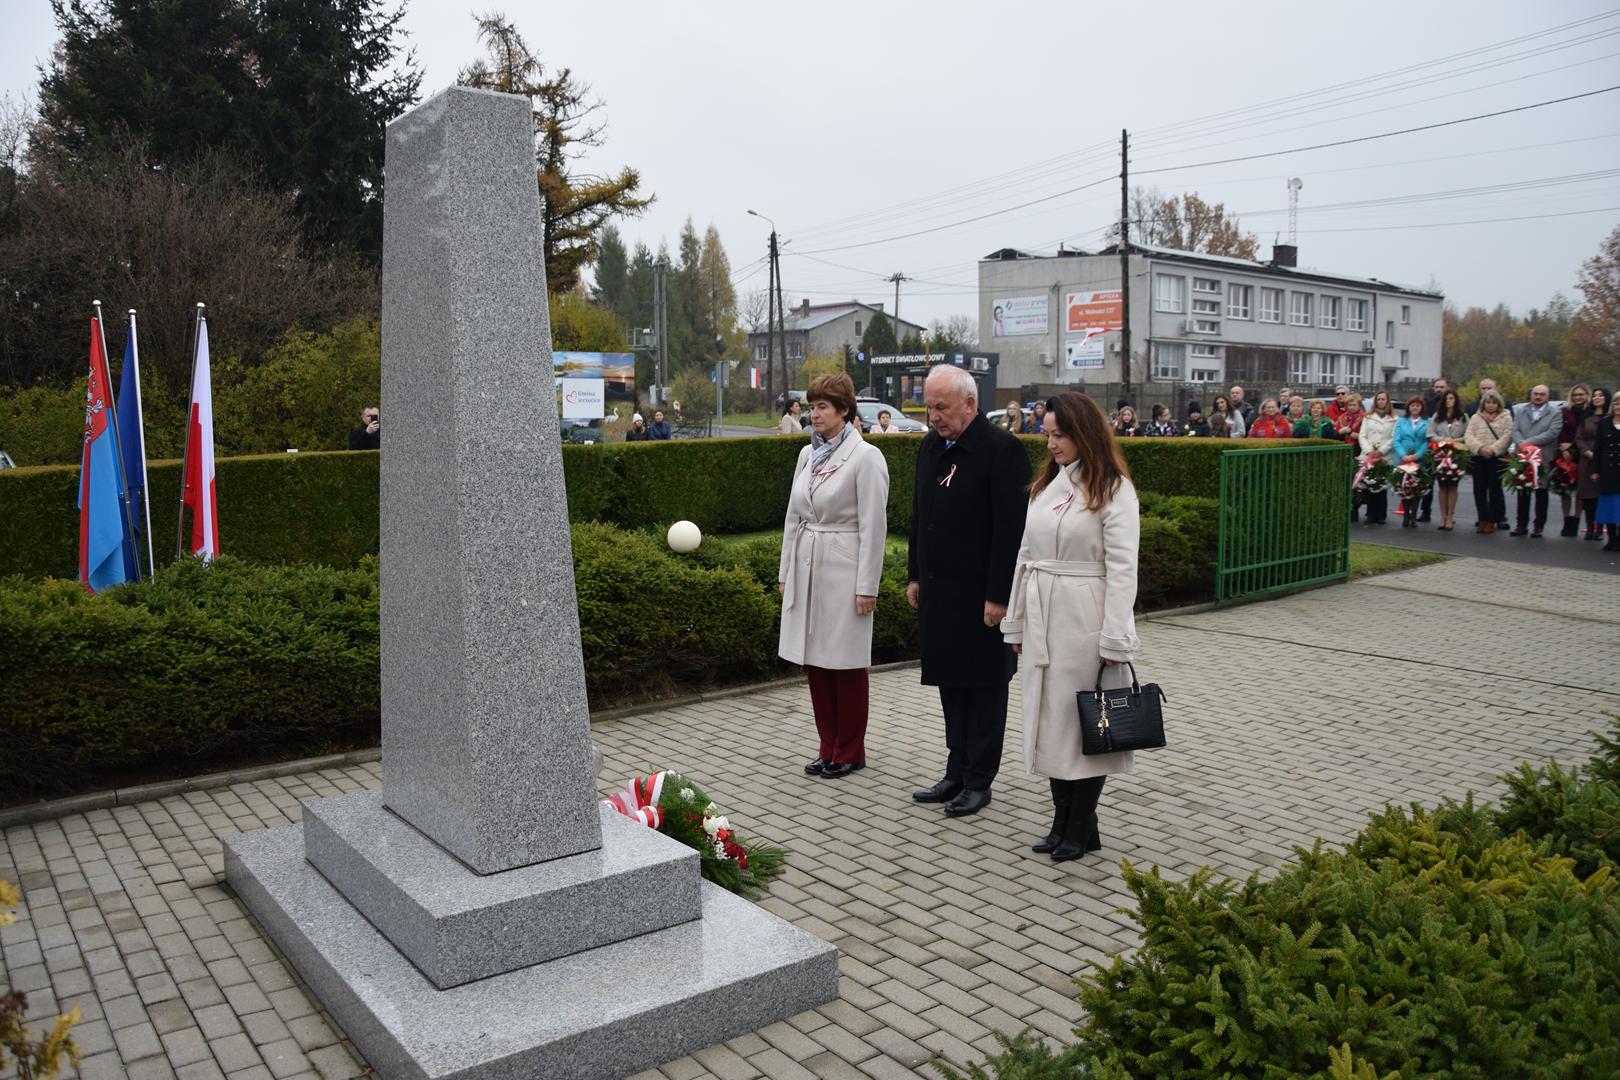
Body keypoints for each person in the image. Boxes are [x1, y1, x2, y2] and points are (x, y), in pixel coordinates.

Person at [1000, 392, 1139, 862]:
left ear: (1084, 433)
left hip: (1085, 619)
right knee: (1051, 723)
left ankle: (1078, 826)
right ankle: (1066, 821)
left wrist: (1115, 638)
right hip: (1044, 616)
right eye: (1048, 434)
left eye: (1060, 435)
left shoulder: (1114, 490)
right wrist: (1016, 623)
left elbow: (1123, 569)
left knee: (1085, 724)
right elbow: (1025, 556)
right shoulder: (1046, 487)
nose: (1051, 443)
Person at [907, 365, 1031, 817]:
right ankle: (955, 771)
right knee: (952, 685)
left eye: (941, 407)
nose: (933, 416)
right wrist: (915, 574)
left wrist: (1000, 596)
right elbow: (920, 516)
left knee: (984, 689)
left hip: (981, 597)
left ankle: (979, 779)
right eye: (929, 407)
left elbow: (1010, 531)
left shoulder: (1002, 451)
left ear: (970, 404)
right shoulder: (930, 447)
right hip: (941, 592)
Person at [779, 373, 890, 780]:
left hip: (844, 569)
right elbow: (793, 518)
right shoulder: (807, 456)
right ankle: (827, 745)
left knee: (845, 663)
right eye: (812, 406)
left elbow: (874, 528)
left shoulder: (866, 457)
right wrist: (785, 572)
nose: (815, 414)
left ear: (844, 410)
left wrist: (867, 587)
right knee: (816, 662)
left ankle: (850, 750)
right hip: (808, 565)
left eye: (823, 406)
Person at [1509, 384, 1561, 538]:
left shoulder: (1555, 413)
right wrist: (1521, 443)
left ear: (1548, 396)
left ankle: (1538, 525)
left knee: (1541, 492)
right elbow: (1515, 430)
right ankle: (1521, 524)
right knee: (1522, 491)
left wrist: (1529, 442)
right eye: (1535, 393)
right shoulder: (1522, 411)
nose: (1538, 397)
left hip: (1542, 457)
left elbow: (1552, 433)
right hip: (1523, 456)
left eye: (1542, 394)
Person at [1465, 390, 1512, 534]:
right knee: (1479, 489)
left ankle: (1493, 520)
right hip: (1479, 457)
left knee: (1495, 489)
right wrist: (1480, 448)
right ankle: (1482, 519)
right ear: (1483, 404)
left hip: (1496, 458)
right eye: (1488, 402)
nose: (1491, 405)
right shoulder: (1476, 417)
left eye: (1494, 403)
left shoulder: (1506, 417)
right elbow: (1469, 436)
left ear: (1499, 404)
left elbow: (1507, 436)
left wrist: (1493, 449)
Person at [1427, 389, 1469, 531]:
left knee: (1453, 486)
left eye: (1451, 398)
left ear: (1455, 400)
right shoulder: (1437, 416)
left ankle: (1450, 516)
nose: (1448, 401)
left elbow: (1468, 435)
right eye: (1446, 398)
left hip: (1456, 455)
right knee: (1442, 485)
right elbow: (1430, 434)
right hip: (1441, 454)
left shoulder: (1463, 417)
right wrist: (1443, 440)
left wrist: (1455, 441)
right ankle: (1443, 516)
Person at [1576, 387, 1612, 540]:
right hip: (1587, 460)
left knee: (1602, 496)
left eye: (1600, 395)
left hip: (1606, 460)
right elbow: (1579, 438)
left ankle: (1600, 529)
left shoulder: (1611, 417)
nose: (1596, 398)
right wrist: (1586, 452)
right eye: (1595, 395)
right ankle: (1590, 527)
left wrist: (1601, 455)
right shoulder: (1586, 416)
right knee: (1588, 496)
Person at [1555, 385, 1591, 536]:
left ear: (1587, 395)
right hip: (1564, 455)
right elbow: (1558, 430)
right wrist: (1563, 448)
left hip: (1581, 454)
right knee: (1565, 490)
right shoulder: (1564, 411)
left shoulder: (1589, 412)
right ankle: (1566, 521)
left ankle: (1576, 520)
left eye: (1581, 394)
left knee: (1580, 491)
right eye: (1575, 395)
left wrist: (1572, 447)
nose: (1578, 397)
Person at [1357, 390, 1397, 525]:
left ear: (1387, 401)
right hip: (1369, 455)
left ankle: (1381, 515)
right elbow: (1362, 435)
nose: (1380, 402)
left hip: (1384, 456)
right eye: (1378, 399)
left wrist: (1380, 451)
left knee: (1381, 485)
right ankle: (1370, 514)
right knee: (1369, 484)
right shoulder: (1368, 417)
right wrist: (1369, 451)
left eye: (1383, 399)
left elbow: (1393, 438)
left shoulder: (1394, 418)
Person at [1392, 396, 1431, 528]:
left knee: (1417, 488)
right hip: (1403, 459)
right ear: (1408, 407)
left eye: (1417, 406)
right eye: (1412, 405)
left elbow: (1428, 441)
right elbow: (1396, 440)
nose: (1415, 408)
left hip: (1419, 459)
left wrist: (1417, 455)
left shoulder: (1428, 421)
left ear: (1422, 408)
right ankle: (1406, 514)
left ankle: (1414, 515)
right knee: (1404, 487)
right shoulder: (1401, 421)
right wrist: (1403, 455)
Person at [1591, 390, 1620, 550]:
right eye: (1616, 403)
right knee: (1609, 506)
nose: (1618, 406)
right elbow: (1598, 448)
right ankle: (1611, 538)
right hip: (1607, 469)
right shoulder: (1604, 423)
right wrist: (1595, 470)